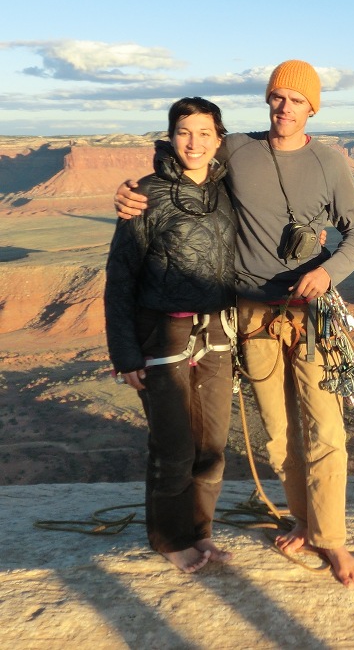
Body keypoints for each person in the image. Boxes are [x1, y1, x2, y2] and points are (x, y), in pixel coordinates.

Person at [115, 60, 354, 588]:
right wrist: (132, 190)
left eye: (296, 100)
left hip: (310, 315)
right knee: (277, 432)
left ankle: (333, 538)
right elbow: (190, 151)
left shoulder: (330, 162)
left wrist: (327, 271)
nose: (284, 108)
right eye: (276, 97)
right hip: (251, 315)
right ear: (267, 102)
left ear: (312, 107)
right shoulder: (240, 150)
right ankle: (303, 519)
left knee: (324, 427)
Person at [105, 97, 236, 573]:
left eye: (204, 132)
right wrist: (124, 353)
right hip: (162, 333)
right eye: (184, 131)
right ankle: (169, 539)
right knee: (174, 446)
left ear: (218, 138)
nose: (194, 142)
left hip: (217, 330)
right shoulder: (146, 194)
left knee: (212, 447)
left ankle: (200, 533)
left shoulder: (228, 190)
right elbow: (120, 278)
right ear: (170, 136)